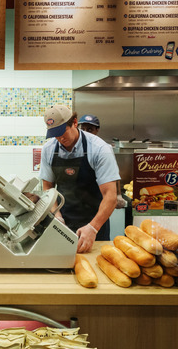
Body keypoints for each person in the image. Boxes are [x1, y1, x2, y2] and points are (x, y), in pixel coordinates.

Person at [40, 105, 120, 253]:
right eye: (55, 134)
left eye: (62, 132)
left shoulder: (100, 149)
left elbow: (110, 196)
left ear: (75, 123)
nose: (60, 138)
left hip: (95, 224)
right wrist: (56, 216)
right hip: (64, 223)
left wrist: (93, 228)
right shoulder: (49, 149)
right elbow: (47, 188)